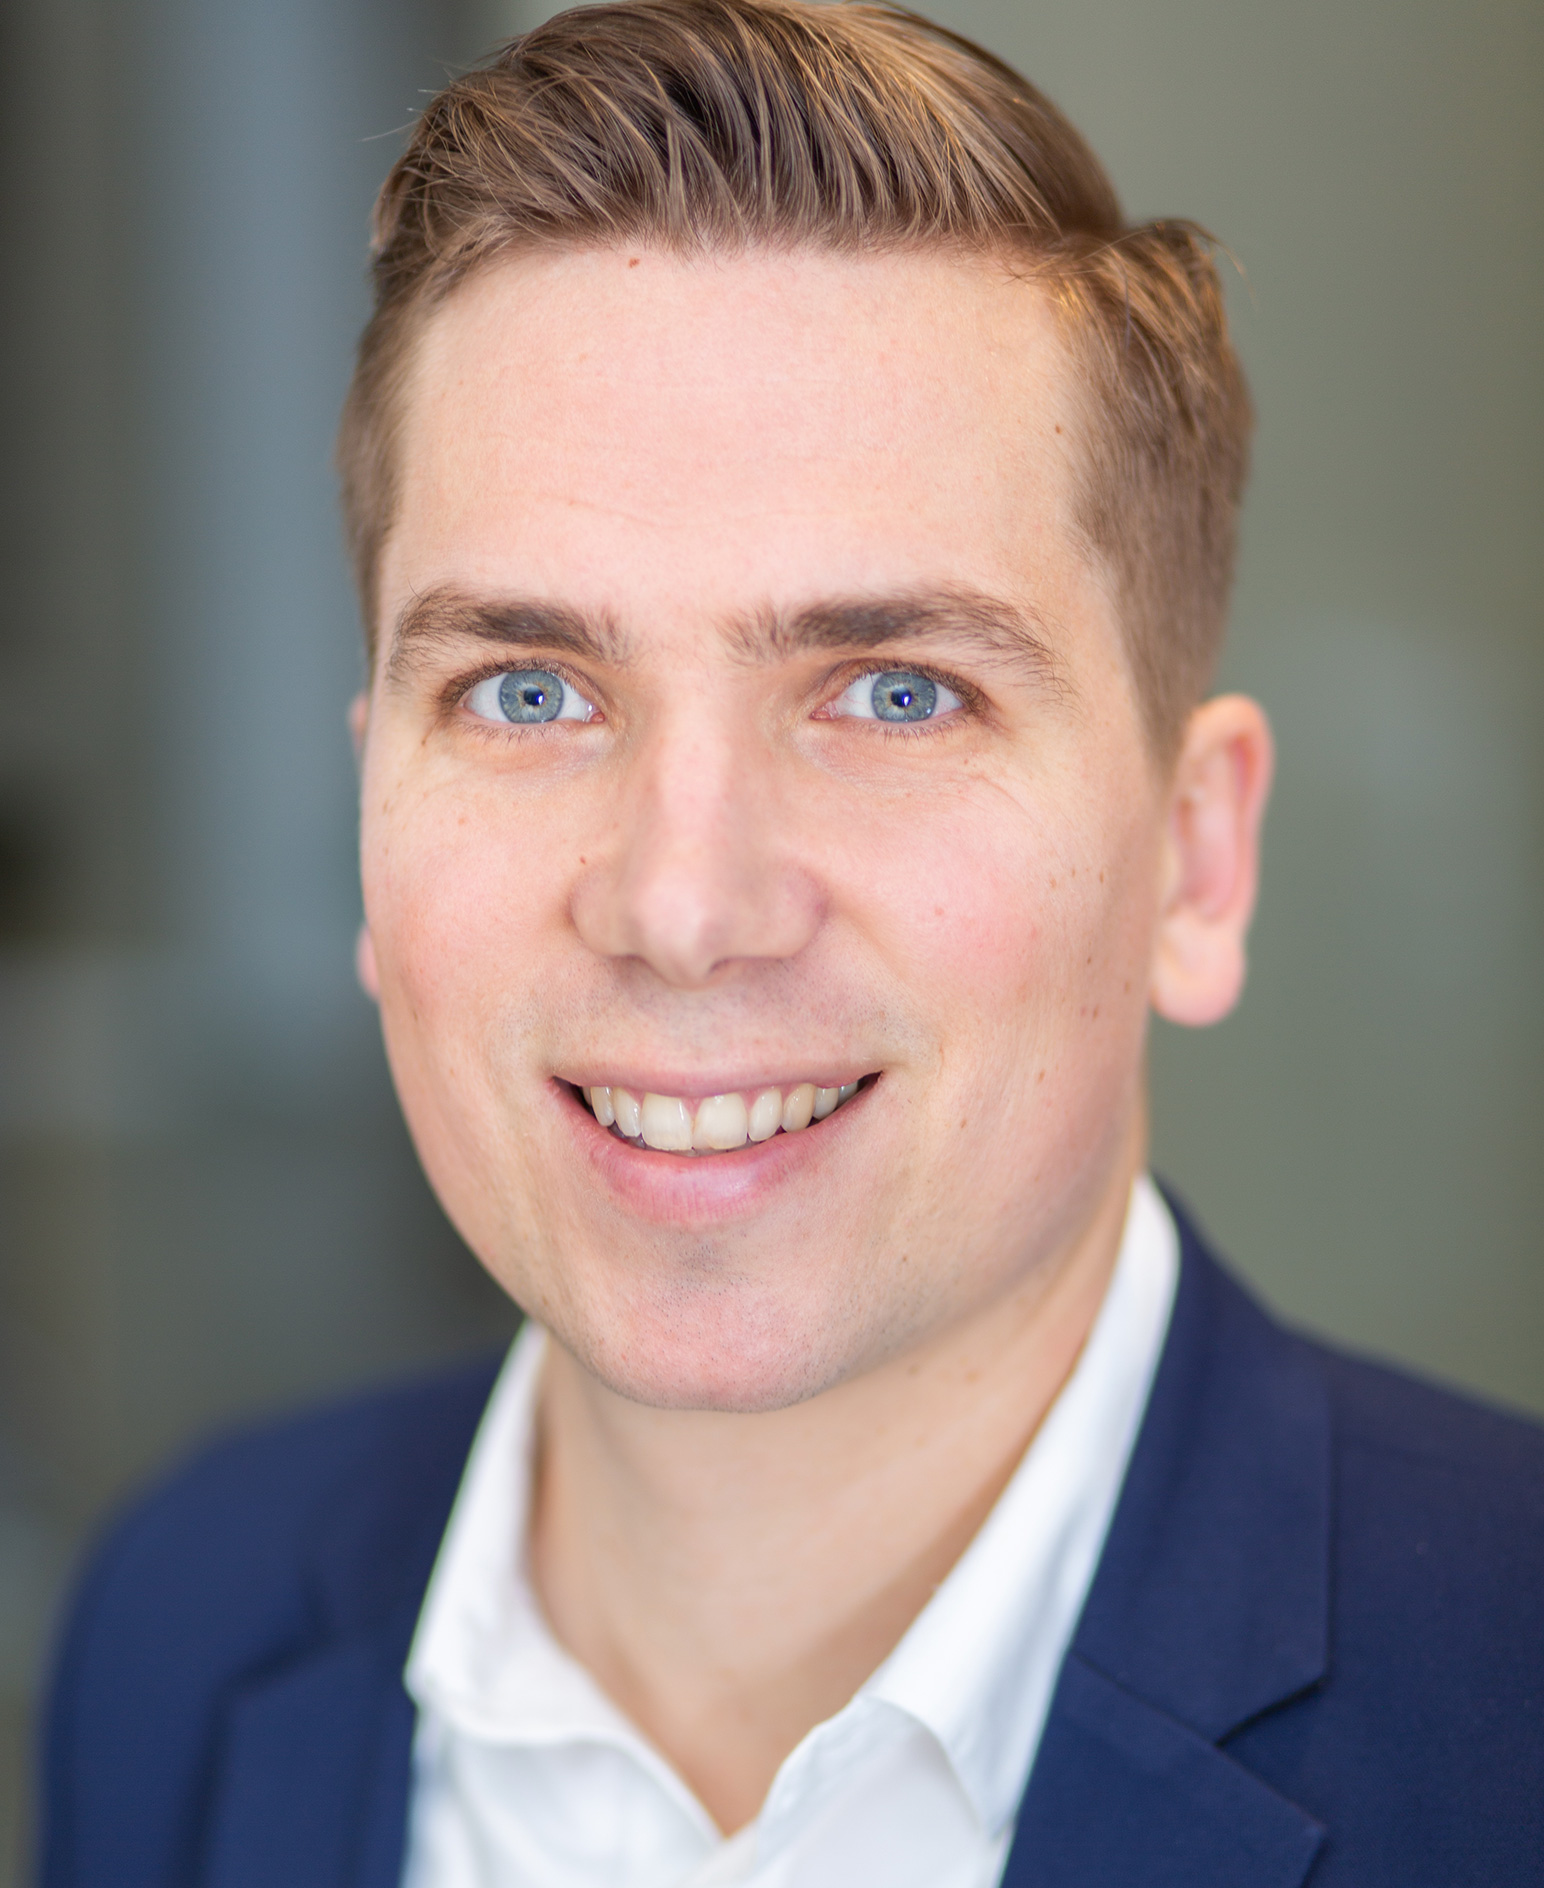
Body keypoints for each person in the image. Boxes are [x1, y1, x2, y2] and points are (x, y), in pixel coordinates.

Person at [38, 3, 1543, 1884]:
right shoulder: (184, 1621)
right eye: (525, 688)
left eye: (895, 694)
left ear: (1195, 856)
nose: (681, 906)